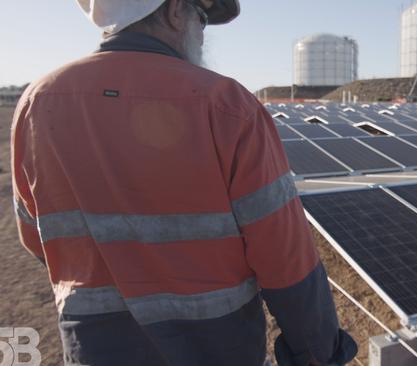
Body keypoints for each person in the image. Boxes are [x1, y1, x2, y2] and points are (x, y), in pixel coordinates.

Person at [10, 0, 357, 365]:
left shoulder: (38, 103)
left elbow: (36, 237)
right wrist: (318, 355)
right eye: (202, 18)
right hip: (217, 349)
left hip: (94, 348)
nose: (204, 36)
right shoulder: (225, 105)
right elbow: (285, 257)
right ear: (176, 10)